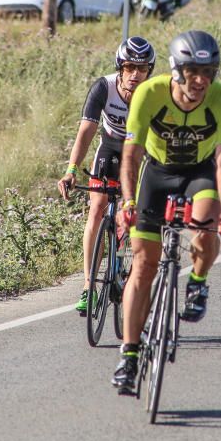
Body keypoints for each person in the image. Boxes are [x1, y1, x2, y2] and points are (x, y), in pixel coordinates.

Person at [111, 30, 221, 392]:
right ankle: (129, 355)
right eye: (192, 71)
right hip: (157, 174)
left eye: (208, 72)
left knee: (205, 225)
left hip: (200, 173)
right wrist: (128, 202)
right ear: (176, 69)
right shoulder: (149, 94)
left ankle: (197, 282)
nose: (200, 80)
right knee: (143, 266)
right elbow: (131, 155)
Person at [58, 36, 156, 313]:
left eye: (142, 68)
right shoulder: (104, 87)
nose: (135, 74)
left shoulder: (153, 93)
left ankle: (123, 261)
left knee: (132, 213)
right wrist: (71, 170)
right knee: (97, 210)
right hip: (110, 148)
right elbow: (86, 132)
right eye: (129, 68)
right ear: (120, 67)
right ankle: (89, 286)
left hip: (139, 152)